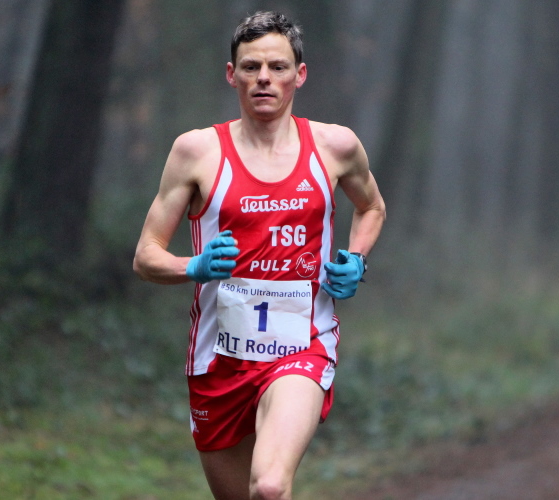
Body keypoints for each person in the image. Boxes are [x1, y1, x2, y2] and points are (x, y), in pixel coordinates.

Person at [133, 11, 385, 500]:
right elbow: (145, 256)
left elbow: (372, 206)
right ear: (232, 75)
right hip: (218, 360)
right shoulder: (196, 152)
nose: (264, 78)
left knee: (269, 486)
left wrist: (357, 258)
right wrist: (193, 267)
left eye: (277, 67)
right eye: (251, 67)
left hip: (302, 346)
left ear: (300, 75)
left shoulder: (335, 146)